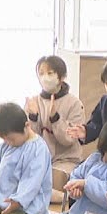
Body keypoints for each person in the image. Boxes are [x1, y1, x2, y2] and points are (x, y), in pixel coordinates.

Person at [26, 55, 85, 191]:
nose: (45, 77)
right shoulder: (34, 101)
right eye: (41, 74)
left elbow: (69, 140)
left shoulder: (74, 103)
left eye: (50, 73)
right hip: (40, 160)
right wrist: (33, 117)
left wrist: (55, 118)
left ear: (62, 76)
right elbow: (30, 140)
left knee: (48, 182)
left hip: (66, 161)